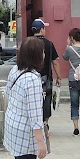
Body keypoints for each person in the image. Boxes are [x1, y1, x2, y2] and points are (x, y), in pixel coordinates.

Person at [3, 36, 48, 159]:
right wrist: (41, 142)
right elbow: (35, 115)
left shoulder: (16, 70)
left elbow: (7, 93)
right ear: (36, 55)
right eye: (42, 51)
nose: (44, 54)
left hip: (13, 125)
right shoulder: (32, 79)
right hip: (25, 131)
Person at [30, 18, 60, 150]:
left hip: (31, 78)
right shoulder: (49, 44)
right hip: (46, 78)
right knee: (46, 100)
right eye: (44, 28)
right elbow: (55, 62)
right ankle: (45, 123)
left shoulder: (28, 43)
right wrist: (59, 76)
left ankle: (34, 123)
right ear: (41, 29)